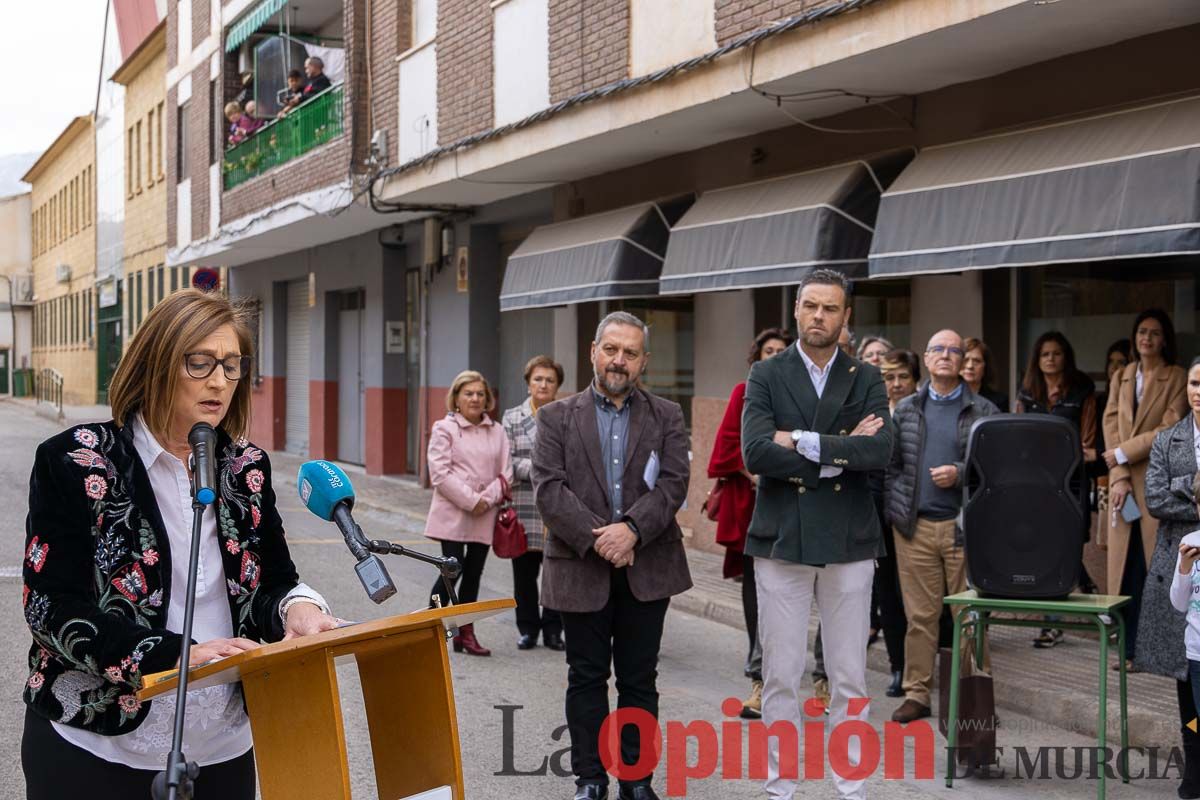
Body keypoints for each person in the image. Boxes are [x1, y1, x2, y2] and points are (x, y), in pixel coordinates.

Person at [20, 289, 338, 799]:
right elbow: (50, 608)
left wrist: (296, 609)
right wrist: (176, 656)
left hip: (221, 749)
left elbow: (273, 582)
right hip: (97, 746)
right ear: (156, 364)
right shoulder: (75, 462)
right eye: (200, 363)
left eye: (232, 366)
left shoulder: (245, 467)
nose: (219, 381)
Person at [742, 269, 893, 800]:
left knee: (850, 673)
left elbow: (878, 453)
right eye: (810, 306)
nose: (818, 317)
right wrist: (837, 451)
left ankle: (850, 786)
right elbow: (756, 452)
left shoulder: (867, 376)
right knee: (781, 672)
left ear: (846, 316)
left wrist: (802, 440)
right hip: (781, 536)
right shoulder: (767, 374)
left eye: (830, 308)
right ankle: (779, 786)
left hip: (850, 539)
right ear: (796, 310)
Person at [533, 311, 691, 800]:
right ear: (593, 352)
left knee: (640, 679)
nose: (618, 360)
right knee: (586, 676)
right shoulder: (556, 417)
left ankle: (637, 779)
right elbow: (548, 488)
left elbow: (673, 484)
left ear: (644, 361)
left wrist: (633, 532)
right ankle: (590, 779)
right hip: (580, 565)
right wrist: (603, 538)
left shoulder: (667, 415)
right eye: (611, 349)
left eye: (630, 352)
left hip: (648, 566)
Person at [886, 329, 998, 724]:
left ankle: (976, 700)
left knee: (969, 616)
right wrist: (897, 513)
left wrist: (961, 472)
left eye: (955, 350)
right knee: (920, 618)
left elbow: (995, 469)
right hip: (914, 530)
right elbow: (892, 465)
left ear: (963, 360)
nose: (947, 356)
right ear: (927, 358)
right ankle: (917, 694)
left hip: (962, 529)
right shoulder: (907, 409)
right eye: (939, 350)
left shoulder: (983, 411)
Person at [707, 328, 792, 720]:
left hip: (791, 504)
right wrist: (752, 470)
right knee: (755, 586)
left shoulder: (795, 393)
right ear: (756, 356)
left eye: (780, 352)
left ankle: (783, 672)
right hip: (751, 502)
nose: (773, 357)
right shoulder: (744, 392)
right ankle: (757, 669)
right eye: (767, 351)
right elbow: (726, 444)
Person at [1103, 309, 1186, 672]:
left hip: (1156, 483)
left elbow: (1168, 428)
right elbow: (1110, 422)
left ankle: (1151, 650)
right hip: (1124, 488)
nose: (1146, 339)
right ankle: (1127, 648)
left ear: (1164, 338)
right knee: (1125, 570)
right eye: (1141, 332)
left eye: (1153, 333)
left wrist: (1122, 452)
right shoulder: (1123, 375)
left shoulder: (1178, 377)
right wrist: (1119, 472)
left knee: (1152, 568)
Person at [1015, 331, 1098, 646]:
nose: (1050, 358)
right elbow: (1017, 439)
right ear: (1037, 359)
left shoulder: (1082, 391)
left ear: (1066, 356)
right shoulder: (1027, 394)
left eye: (1057, 353)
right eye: (1044, 354)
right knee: (1045, 549)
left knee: (1068, 544)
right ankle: (1052, 622)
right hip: (1035, 485)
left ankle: (1089, 595)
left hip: (1071, 480)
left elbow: (1089, 444)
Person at [1142, 357, 1200, 799]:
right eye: (1196, 383)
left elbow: (1170, 492)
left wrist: (1186, 488)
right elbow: (1156, 498)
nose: (1199, 391)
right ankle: (1193, 769)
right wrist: (1195, 489)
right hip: (1179, 562)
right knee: (1187, 678)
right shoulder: (1167, 438)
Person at [424, 370, 513, 657]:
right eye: (469, 393)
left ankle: (466, 633)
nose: (475, 398)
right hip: (453, 512)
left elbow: (506, 473)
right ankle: (429, 628)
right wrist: (471, 500)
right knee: (452, 570)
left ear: (487, 399)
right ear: (457, 398)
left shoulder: (497, 431)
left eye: (480, 394)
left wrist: (485, 500)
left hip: (485, 513)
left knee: (474, 574)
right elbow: (439, 473)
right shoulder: (444, 428)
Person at [502, 355, 565, 652]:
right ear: (528, 383)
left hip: (558, 506)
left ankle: (554, 630)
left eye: (550, 380)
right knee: (524, 575)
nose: (543, 384)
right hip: (524, 504)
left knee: (556, 574)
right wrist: (542, 469)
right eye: (538, 379)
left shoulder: (566, 416)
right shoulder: (512, 417)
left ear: (557, 387)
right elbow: (507, 463)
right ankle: (527, 629)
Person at [873, 349, 921, 698]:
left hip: (915, 517)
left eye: (903, 376)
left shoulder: (923, 413)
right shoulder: (874, 415)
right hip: (878, 515)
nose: (896, 384)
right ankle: (898, 665)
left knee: (918, 596)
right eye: (889, 377)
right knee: (887, 593)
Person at [961, 337, 1009, 412]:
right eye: (965, 360)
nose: (970, 366)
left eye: (977, 361)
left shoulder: (999, 401)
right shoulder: (947, 398)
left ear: (985, 366)